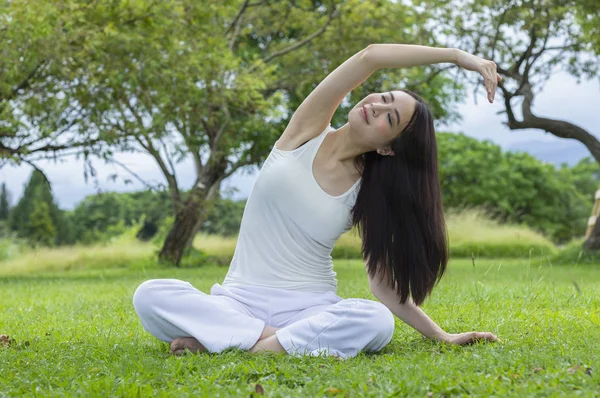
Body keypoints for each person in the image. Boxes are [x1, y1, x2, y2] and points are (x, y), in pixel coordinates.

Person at [132, 44, 502, 359]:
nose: (374, 106)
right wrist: (456, 56)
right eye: (384, 98)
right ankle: (270, 340)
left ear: (387, 147)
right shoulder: (305, 132)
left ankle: (240, 342)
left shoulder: (368, 192)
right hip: (237, 300)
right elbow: (370, 57)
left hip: (309, 308)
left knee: (376, 321)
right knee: (150, 295)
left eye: (388, 118)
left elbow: (383, 288)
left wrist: (442, 336)